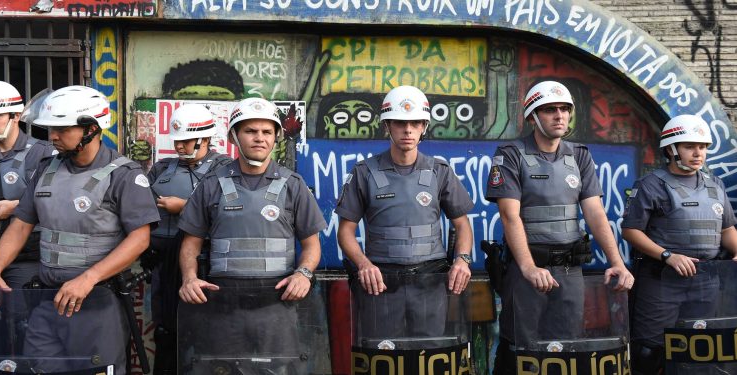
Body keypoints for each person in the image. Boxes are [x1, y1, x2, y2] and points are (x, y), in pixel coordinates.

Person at [0, 85, 160, 374]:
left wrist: (88, 278)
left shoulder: (124, 175)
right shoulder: (46, 169)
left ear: (91, 129)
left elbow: (140, 238)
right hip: (46, 301)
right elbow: (20, 225)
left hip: (97, 303)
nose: (52, 136)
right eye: (51, 129)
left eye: (62, 129)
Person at [486, 80, 634, 374]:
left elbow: (594, 212)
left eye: (565, 109)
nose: (559, 116)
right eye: (550, 110)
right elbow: (509, 216)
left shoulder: (578, 154)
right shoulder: (511, 154)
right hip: (527, 273)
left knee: (565, 350)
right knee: (522, 353)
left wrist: (617, 263)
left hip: (570, 272)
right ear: (532, 116)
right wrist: (528, 268)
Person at [177, 98, 326, 367]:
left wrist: (303, 275)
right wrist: (189, 278)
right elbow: (191, 243)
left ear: (276, 137)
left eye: (267, 132)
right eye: (250, 131)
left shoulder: (293, 184)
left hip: (278, 306)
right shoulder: (211, 184)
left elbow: (312, 245)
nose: (260, 138)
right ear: (234, 136)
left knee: (275, 370)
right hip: (223, 307)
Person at [335, 85, 474, 345]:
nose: (408, 130)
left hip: (429, 283)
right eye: (400, 123)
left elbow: (462, 224)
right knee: (383, 354)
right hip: (381, 284)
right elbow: (345, 231)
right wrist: (364, 265)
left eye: (415, 123)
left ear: (424, 126)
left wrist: (463, 260)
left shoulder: (439, 171)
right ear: (387, 126)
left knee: (429, 354)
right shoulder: (364, 172)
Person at [622, 114, 737, 375]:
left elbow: (728, 228)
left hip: (707, 281)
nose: (698, 153)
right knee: (651, 352)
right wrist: (668, 255)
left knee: (700, 348)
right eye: (690, 147)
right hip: (662, 280)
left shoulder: (715, 185)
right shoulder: (651, 185)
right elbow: (630, 230)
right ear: (672, 149)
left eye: (703, 147)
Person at [146, 103, 231, 374]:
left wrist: (183, 206)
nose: (179, 147)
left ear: (204, 138)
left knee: (208, 332)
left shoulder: (226, 169)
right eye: (177, 141)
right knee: (167, 330)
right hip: (163, 262)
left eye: (185, 141)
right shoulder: (162, 169)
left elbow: (232, 211)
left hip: (204, 261)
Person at [0, 81, 55, 288]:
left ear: (16, 116)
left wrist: (16, 207)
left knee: (20, 315)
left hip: (26, 257)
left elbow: (62, 201)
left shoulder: (43, 153)